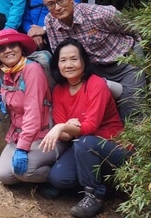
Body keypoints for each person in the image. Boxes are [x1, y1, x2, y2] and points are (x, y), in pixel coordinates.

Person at [40, 39, 130, 218]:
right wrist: (65, 128)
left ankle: (94, 195)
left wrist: (62, 127)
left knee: (84, 141)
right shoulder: (59, 90)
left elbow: (90, 127)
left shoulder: (96, 84)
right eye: (63, 60)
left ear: (83, 61)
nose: (69, 64)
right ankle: (104, 184)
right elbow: (65, 135)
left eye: (74, 59)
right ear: (57, 64)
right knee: (58, 178)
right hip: (84, 148)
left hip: (113, 147)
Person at [41, 0, 146, 121]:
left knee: (132, 111)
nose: (58, 7)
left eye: (61, 0)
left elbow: (134, 30)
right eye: (51, 4)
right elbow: (60, 54)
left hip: (126, 62)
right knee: (98, 113)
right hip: (95, 69)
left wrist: (142, 60)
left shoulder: (98, 13)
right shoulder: (50, 22)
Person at [0, 28, 63, 186]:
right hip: (17, 134)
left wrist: (22, 148)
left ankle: (59, 177)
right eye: (2, 48)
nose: (8, 51)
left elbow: (33, 112)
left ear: (21, 47)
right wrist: (0, 98)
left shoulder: (32, 70)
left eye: (12, 45)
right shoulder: (0, 72)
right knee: (4, 175)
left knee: (24, 172)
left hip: (43, 136)